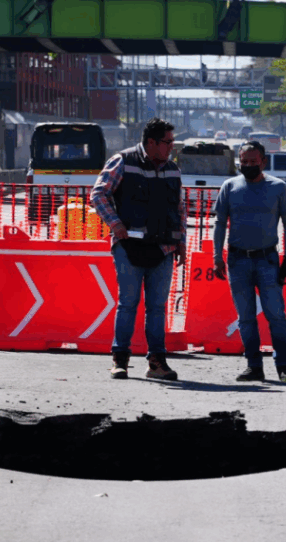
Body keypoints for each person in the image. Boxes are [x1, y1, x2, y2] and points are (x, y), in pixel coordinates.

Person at [91, 117, 186, 381]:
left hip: (163, 249)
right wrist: (115, 224)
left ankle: (157, 363)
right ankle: (120, 361)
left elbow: (179, 208)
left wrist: (181, 242)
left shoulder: (173, 169)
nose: (171, 147)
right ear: (151, 142)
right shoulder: (123, 161)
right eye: (168, 142)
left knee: (157, 308)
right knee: (128, 304)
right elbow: (99, 194)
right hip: (129, 247)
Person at [212, 141, 286, 383]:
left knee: (276, 314)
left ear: (263, 162)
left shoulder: (278, 187)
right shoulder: (230, 187)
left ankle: (284, 366)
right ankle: (253, 366)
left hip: (267, 260)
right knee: (246, 317)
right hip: (237, 261)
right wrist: (217, 257)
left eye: (253, 161)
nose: (248, 165)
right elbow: (219, 223)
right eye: (244, 162)